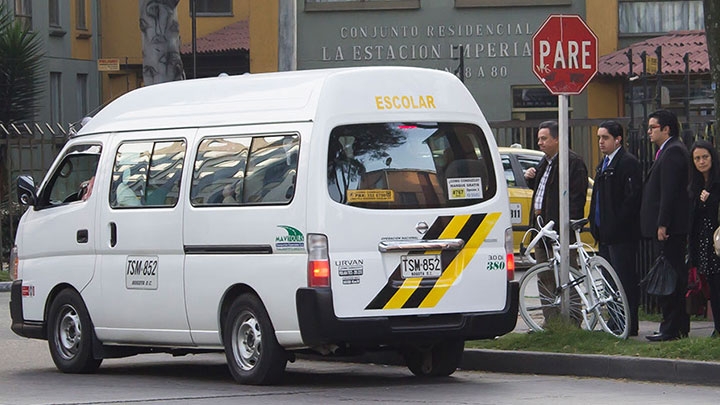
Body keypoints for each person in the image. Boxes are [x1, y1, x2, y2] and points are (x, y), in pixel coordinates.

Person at [524, 120, 589, 323]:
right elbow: (544, 190)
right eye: (538, 139)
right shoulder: (545, 161)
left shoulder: (572, 162)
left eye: (544, 139)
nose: (540, 143)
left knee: (568, 273)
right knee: (544, 274)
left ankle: (573, 319)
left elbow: (576, 197)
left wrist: (566, 225)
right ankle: (551, 320)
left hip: (558, 229)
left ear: (557, 138)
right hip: (541, 228)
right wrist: (531, 178)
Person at [641, 109, 692, 342]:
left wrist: (663, 223)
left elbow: (669, 193)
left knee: (671, 277)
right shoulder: (667, 151)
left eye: (653, 127)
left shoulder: (673, 152)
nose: (649, 132)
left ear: (666, 129)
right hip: (667, 226)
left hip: (670, 229)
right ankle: (676, 325)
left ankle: (671, 327)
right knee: (671, 275)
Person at [588, 121, 642, 336]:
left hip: (621, 234)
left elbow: (632, 199)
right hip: (605, 234)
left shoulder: (627, 163)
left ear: (618, 139)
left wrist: (616, 223)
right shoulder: (604, 164)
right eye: (599, 138)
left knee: (624, 279)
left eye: (605, 137)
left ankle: (628, 323)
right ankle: (615, 320)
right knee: (609, 280)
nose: (601, 142)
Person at [688, 140, 720, 337]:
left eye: (705, 157)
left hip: (717, 240)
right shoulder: (695, 184)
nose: (701, 162)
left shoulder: (716, 183)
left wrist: (711, 199)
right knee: (712, 286)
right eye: (697, 158)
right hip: (704, 242)